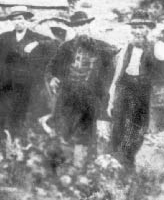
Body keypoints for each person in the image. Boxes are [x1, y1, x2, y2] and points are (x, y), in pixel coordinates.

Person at [105, 13, 164, 169]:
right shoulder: (127, 47)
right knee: (118, 124)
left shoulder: (156, 46)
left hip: (141, 91)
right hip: (124, 88)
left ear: (148, 29)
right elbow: (118, 72)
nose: (137, 31)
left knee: (136, 127)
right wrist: (111, 95)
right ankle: (115, 161)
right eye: (134, 28)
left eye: (140, 27)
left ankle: (124, 161)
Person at [48, 9, 115, 159]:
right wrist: (52, 77)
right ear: (73, 28)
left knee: (84, 135)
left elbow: (109, 74)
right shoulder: (66, 47)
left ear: (89, 25)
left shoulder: (104, 48)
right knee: (64, 132)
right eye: (77, 26)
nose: (81, 29)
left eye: (84, 25)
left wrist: (102, 96)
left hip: (89, 99)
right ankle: (64, 169)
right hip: (68, 97)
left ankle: (80, 169)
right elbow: (53, 67)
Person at [0, 6, 49, 150]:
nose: (17, 23)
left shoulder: (36, 37)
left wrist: (36, 44)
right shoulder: (5, 37)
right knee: (1, 113)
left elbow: (55, 45)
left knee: (22, 117)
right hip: (7, 84)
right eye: (14, 20)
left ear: (27, 20)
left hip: (26, 86)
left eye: (20, 19)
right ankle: (2, 147)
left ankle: (21, 147)